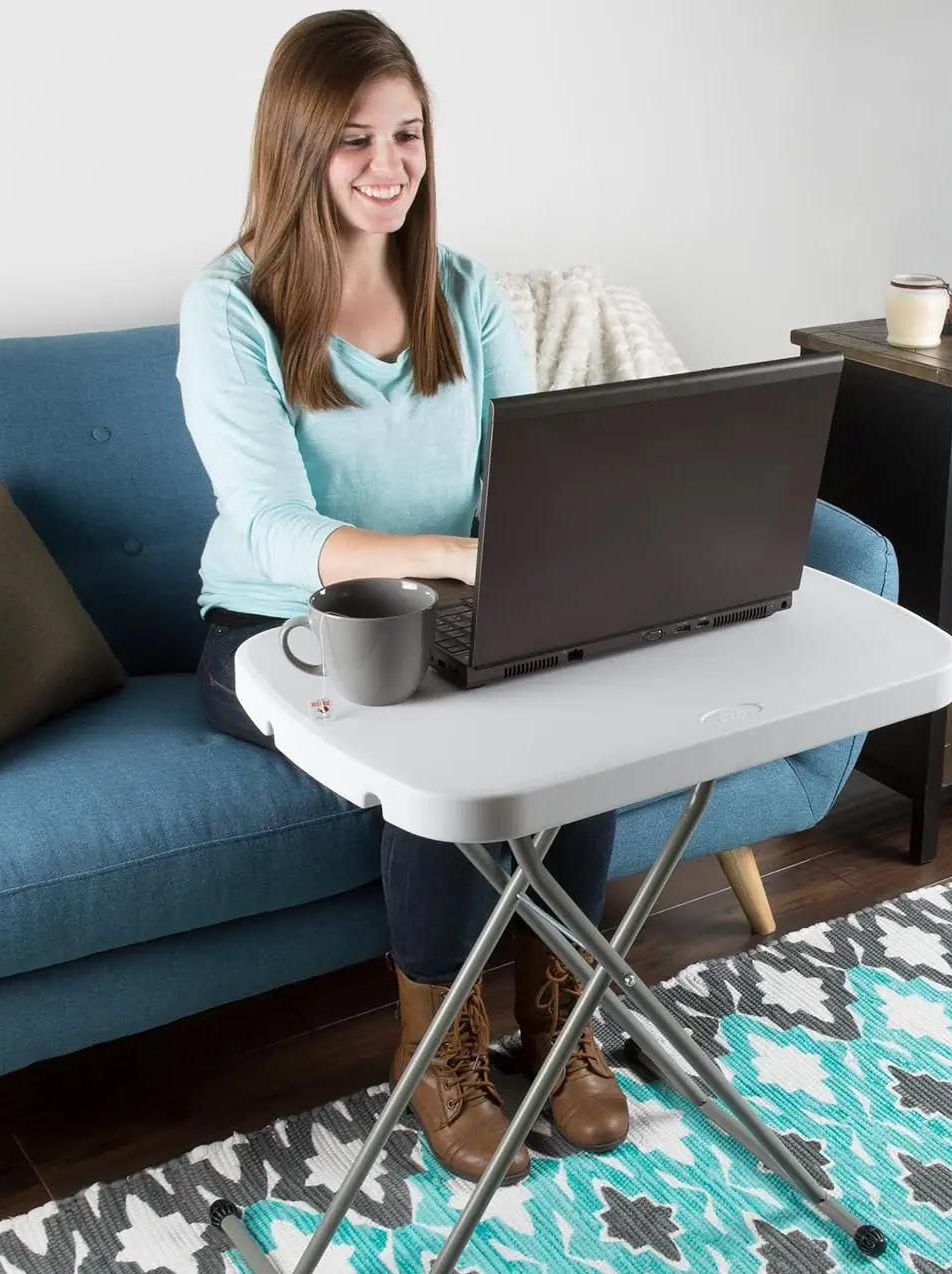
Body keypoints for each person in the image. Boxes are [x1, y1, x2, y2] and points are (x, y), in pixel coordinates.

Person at [177, 9, 627, 1185]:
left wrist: (532, 562)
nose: (389, 166)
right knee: (431, 732)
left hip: (446, 598)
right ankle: (440, 1050)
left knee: (581, 699)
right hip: (271, 628)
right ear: (295, 146)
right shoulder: (229, 307)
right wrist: (455, 561)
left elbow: (523, 473)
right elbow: (267, 524)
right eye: (354, 140)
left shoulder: (463, 288)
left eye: (409, 134)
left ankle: (559, 1017)